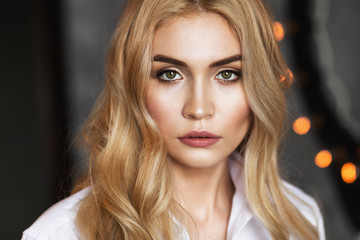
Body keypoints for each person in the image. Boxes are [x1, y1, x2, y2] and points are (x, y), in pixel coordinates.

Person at [22, 0, 325, 239]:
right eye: (170, 74)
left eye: (227, 75)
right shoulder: (62, 234)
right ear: (134, 86)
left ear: (258, 86)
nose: (198, 108)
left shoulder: (298, 219)